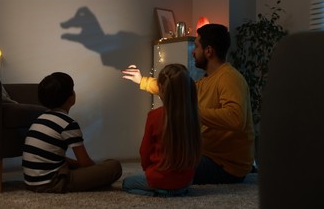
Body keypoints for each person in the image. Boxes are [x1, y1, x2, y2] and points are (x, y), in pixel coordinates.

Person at [122, 24, 255, 184]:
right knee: (165, 156)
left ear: (208, 51)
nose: (193, 51)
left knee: (169, 166)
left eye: (196, 46)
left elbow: (236, 118)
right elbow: (177, 88)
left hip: (225, 165)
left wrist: (192, 111)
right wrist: (142, 80)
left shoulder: (230, 78)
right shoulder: (206, 81)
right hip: (206, 154)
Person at [22, 72, 122, 193]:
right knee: (114, 166)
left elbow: (54, 156)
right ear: (70, 97)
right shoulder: (68, 124)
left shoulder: (40, 119)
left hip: (31, 182)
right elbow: (85, 163)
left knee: (79, 165)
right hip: (52, 182)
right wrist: (97, 170)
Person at [122, 64, 202, 196]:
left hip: (159, 179)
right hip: (186, 181)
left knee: (126, 183)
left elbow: (145, 151)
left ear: (161, 90)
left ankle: (160, 193)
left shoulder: (155, 116)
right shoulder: (193, 116)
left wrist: (149, 172)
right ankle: (173, 190)